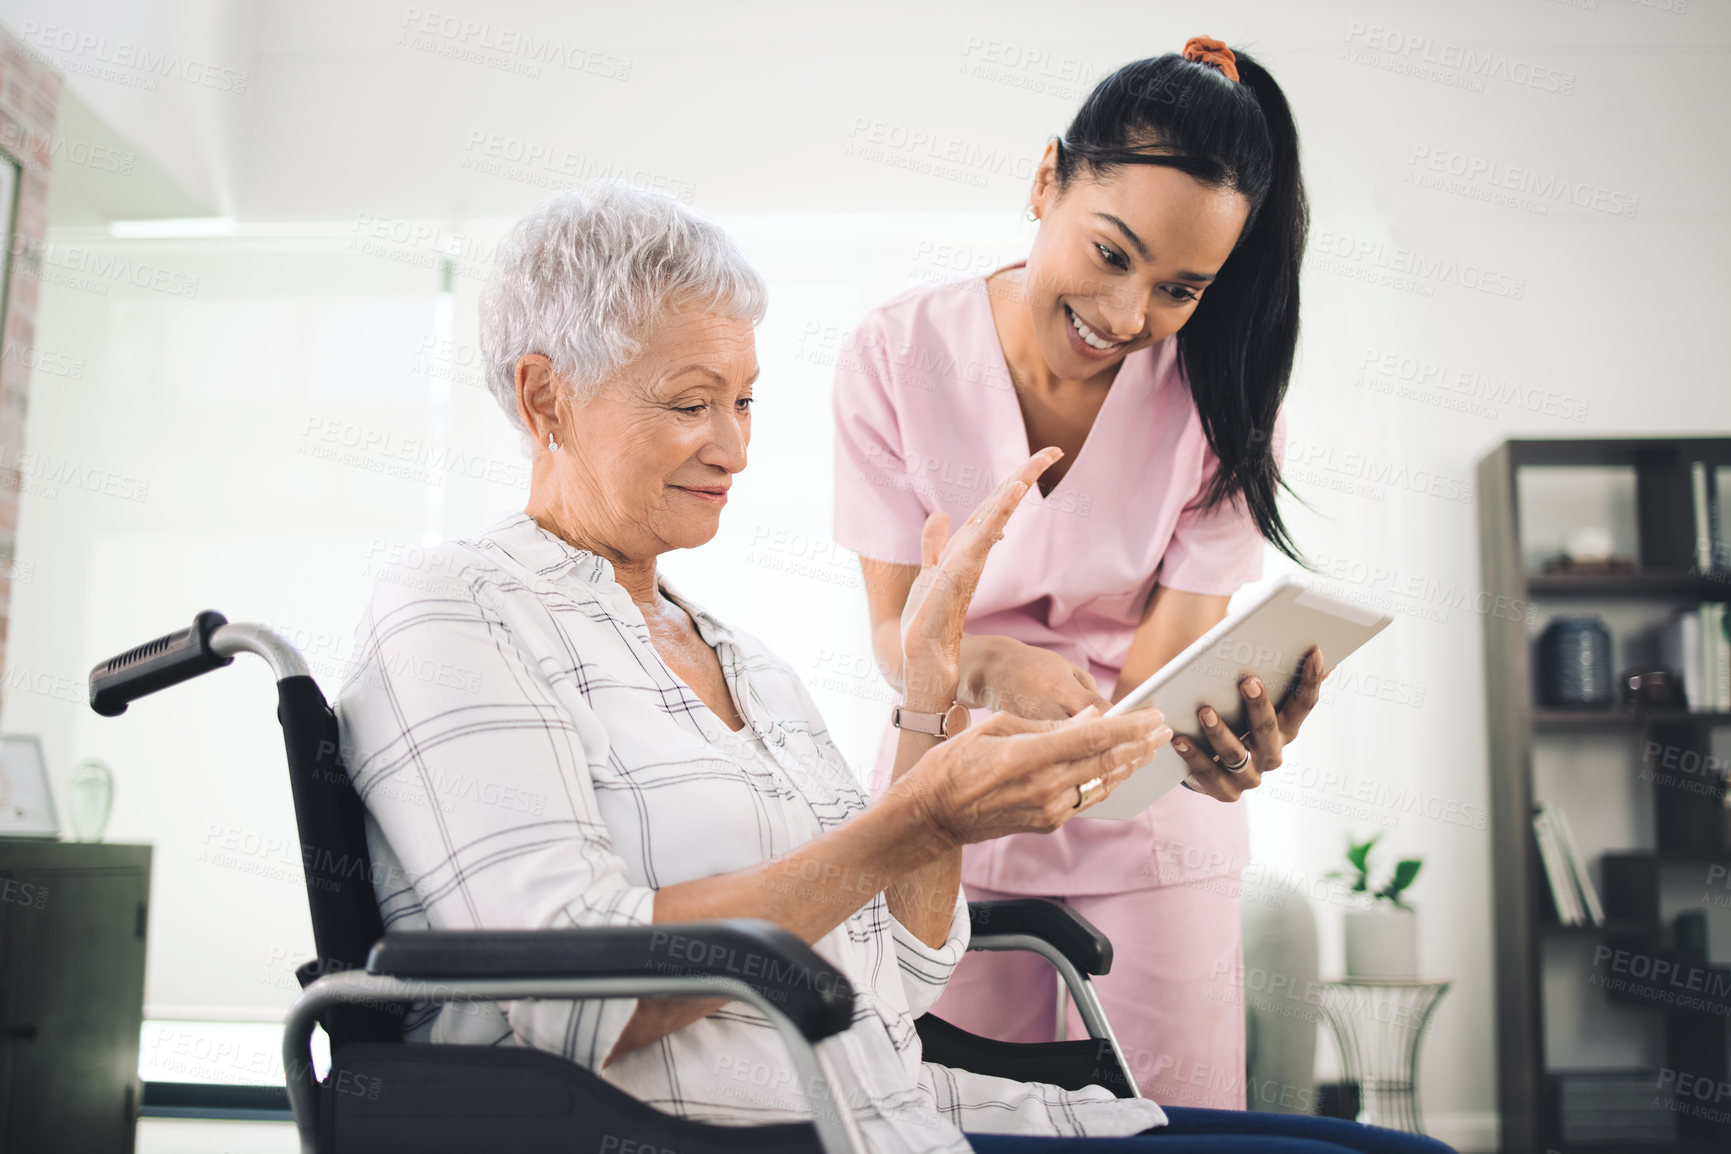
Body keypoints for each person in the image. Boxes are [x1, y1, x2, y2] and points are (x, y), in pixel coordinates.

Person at [335, 182, 1450, 1154]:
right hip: (740, 1129)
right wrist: (915, 820)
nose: (735, 444)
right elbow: (586, 992)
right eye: (691, 402)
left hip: (907, 1103)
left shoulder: (743, 662)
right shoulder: (457, 610)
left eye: (745, 399)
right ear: (545, 398)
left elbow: (902, 975)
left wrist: (925, 699)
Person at [831, 38, 1306, 1106]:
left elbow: (1162, 670)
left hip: (1149, 816)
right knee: (946, 1115)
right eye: (1111, 254)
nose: (1130, 317)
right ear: (1047, 179)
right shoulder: (897, 354)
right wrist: (991, 665)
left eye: (1182, 288)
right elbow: (895, 632)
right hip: (952, 792)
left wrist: (1209, 739)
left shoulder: (1224, 402)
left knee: (1169, 1124)